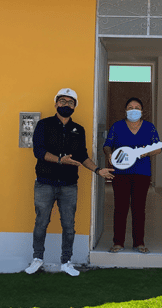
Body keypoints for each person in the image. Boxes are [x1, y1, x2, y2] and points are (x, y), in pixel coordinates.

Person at [25, 88, 114, 276]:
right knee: (41, 222)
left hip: (69, 185)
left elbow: (82, 156)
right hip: (45, 183)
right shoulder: (44, 125)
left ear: (75, 106)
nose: (66, 105)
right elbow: (38, 151)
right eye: (63, 101)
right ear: (56, 104)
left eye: (70, 102)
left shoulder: (78, 130)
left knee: (68, 225)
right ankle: (37, 258)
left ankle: (66, 262)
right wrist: (60, 160)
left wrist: (98, 170)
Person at [103, 97, 162, 254]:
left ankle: (139, 243)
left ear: (142, 111)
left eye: (137, 107)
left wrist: (146, 152)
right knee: (120, 208)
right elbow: (107, 145)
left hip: (142, 173)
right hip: (121, 173)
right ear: (125, 111)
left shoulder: (149, 127)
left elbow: (158, 148)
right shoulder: (117, 126)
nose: (133, 110)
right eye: (130, 107)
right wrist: (109, 154)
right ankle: (118, 242)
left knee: (139, 208)